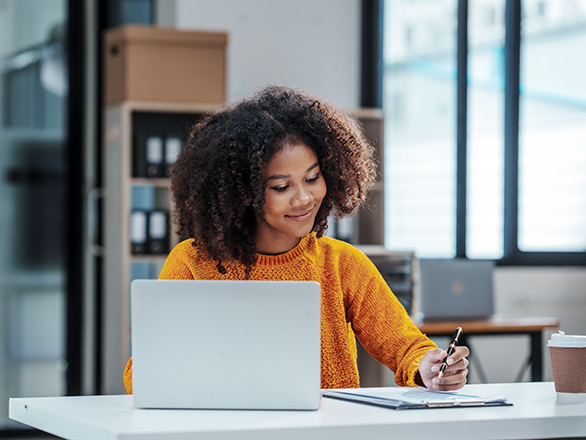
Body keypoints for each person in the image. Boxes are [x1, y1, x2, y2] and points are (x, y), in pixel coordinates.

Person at [123, 85, 469, 394]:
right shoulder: (192, 263)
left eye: (313, 178)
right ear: (243, 192)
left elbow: (406, 345)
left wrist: (429, 367)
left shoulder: (342, 263)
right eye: (281, 187)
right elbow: (142, 374)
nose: (304, 198)